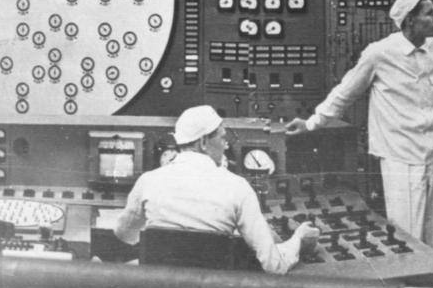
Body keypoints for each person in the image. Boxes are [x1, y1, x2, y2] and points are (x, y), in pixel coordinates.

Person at [284, 0, 433, 254]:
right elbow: (345, 92)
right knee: (406, 231)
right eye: (429, 14)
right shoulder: (380, 53)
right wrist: (313, 123)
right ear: (409, 20)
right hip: (400, 154)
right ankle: (410, 276)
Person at [114, 105, 319, 274]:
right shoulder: (238, 187)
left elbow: (124, 234)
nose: (226, 145)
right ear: (203, 142)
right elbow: (274, 266)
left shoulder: (148, 180)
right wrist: (298, 239)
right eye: (222, 138)